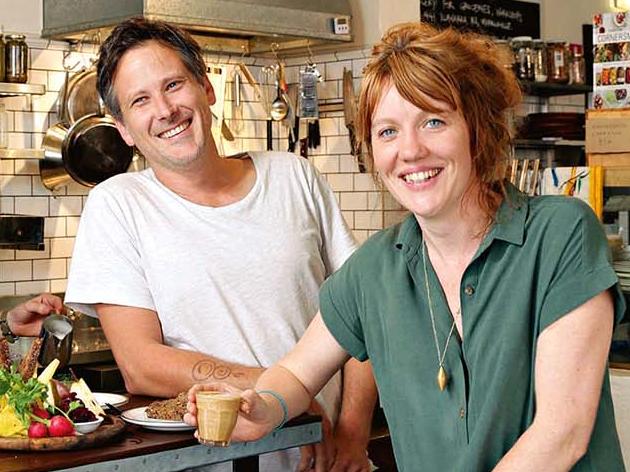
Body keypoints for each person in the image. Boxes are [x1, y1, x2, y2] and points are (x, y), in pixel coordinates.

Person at [185, 22, 626, 471]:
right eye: (388, 131)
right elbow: (298, 373)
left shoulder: (560, 236)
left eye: (433, 121)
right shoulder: (373, 270)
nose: (410, 151)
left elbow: (563, 433)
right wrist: (260, 408)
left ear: (477, 127)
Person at [64, 17, 376, 472]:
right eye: (140, 100)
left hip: (328, 458)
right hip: (215, 461)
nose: (165, 109)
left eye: (174, 85)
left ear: (205, 87)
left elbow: (364, 319)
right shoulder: (117, 205)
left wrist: (352, 433)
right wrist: (289, 397)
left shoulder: (295, 176)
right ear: (125, 128)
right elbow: (141, 363)